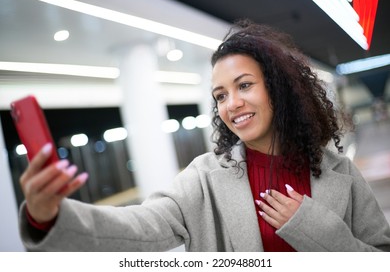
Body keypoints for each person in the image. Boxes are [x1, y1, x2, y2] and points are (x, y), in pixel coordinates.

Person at [18, 20, 390, 252]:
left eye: (244, 85)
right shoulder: (203, 178)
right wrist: (49, 217)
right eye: (220, 95)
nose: (232, 104)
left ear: (278, 90)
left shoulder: (341, 172)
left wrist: (315, 229)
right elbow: (142, 228)